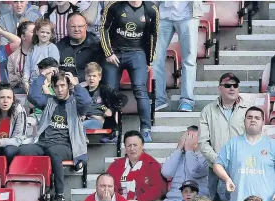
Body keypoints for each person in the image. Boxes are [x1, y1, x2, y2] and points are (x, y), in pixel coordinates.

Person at [19, 70, 91, 201]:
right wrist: (42, 75)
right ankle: (30, 190)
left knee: (54, 152)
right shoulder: (49, 100)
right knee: (22, 150)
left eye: (63, 85)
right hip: (44, 143)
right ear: (52, 87)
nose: (59, 89)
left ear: (68, 86)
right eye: (56, 86)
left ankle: (60, 195)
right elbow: (32, 96)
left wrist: (76, 85)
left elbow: (87, 102)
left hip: (66, 145)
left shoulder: (76, 103)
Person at [100, 1, 159, 143]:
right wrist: (108, 53)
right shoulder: (115, 5)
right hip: (115, 53)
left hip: (137, 52)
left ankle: (145, 129)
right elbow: (104, 29)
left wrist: (149, 60)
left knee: (140, 88)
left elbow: (153, 35)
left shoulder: (151, 9)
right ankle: (111, 130)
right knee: (109, 90)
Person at [213, 106, 275, 201]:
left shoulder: (272, 145)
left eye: (257, 118)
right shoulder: (233, 143)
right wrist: (227, 179)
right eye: (249, 117)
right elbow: (217, 165)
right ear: (244, 121)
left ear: (263, 122)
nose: (253, 120)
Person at [199, 73, 250, 201]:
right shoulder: (208, 111)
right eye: (228, 85)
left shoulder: (248, 110)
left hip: (241, 167)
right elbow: (203, 142)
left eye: (235, 85)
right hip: (215, 168)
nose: (232, 88)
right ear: (219, 88)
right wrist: (219, 162)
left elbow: (253, 138)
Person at [106, 130, 167, 201]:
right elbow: (108, 184)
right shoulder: (116, 165)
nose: (132, 148)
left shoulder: (152, 164)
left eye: (135, 145)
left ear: (142, 145)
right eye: (129, 145)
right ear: (125, 146)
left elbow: (159, 189)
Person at [153, 1, 201, 112]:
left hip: (188, 14)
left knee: (189, 59)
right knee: (155, 58)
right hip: (162, 14)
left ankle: (187, 100)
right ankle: (159, 99)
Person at [161, 126, 208, 201]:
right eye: (186, 137)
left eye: (191, 137)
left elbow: (195, 171)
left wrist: (189, 151)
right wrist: (178, 149)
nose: (188, 141)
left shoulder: (206, 157)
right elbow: (166, 172)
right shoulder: (178, 156)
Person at [81, 62, 127, 137]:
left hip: (97, 121)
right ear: (85, 77)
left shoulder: (104, 89)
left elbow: (123, 98)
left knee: (77, 127)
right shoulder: (82, 91)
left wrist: (111, 110)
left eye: (94, 76)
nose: (91, 78)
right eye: (89, 76)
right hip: (83, 120)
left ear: (100, 77)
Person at [56, 12, 102, 83]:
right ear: (67, 27)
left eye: (80, 26)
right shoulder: (59, 46)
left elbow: (98, 70)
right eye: (73, 26)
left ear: (86, 27)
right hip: (64, 85)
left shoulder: (96, 46)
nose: (77, 29)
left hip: (87, 85)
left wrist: (78, 79)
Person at [22, 18, 60, 94]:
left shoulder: (52, 48)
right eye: (42, 32)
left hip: (47, 84)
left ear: (51, 35)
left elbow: (54, 68)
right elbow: (27, 66)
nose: (44, 35)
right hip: (33, 83)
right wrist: (25, 81)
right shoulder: (32, 49)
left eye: (48, 33)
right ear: (37, 32)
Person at [7, 21, 35, 93]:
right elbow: (8, 76)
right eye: (33, 31)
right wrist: (19, 79)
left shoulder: (41, 51)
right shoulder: (12, 54)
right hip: (18, 90)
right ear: (23, 36)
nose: (37, 33)